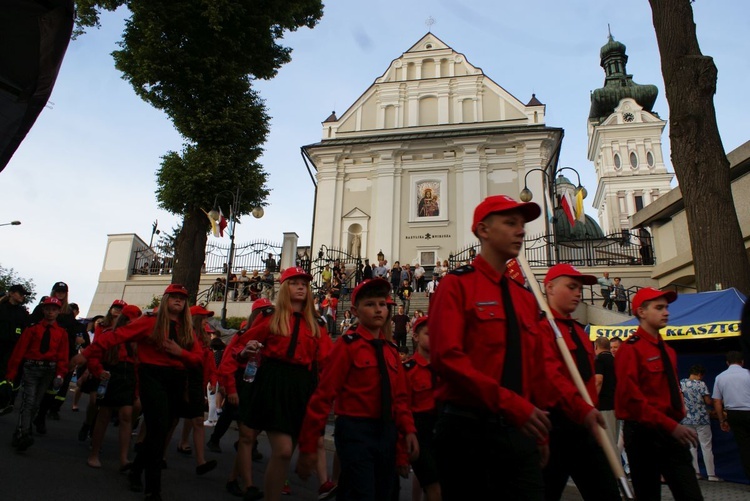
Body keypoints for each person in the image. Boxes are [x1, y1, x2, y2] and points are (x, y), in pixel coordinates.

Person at [429, 195, 602, 500]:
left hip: (519, 430)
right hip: (468, 430)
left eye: (522, 224)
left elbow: (539, 368)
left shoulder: (523, 297)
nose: (521, 231)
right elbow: (447, 359)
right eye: (510, 223)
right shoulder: (456, 285)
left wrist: (563, 418)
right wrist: (513, 405)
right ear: (483, 230)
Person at [70, 284, 204, 501]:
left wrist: (181, 353)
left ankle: (135, 471)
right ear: (166, 299)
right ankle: (153, 489)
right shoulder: (149, 323)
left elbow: (198, 359)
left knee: (159, 431)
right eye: (174, 297)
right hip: (152, 377)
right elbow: (115, 336)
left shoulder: (186, 329)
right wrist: (86, 354)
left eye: (182, 298)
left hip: (176, 380)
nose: (178, 300)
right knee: (158, 428)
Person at [296, 278, 419, 501]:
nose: (379, 309)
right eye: (370, 304)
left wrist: (407, 435)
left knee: (387, 493)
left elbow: (400, 399)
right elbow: (323, 397)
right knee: (361, 492)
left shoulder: (391, 351)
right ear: (355, 310)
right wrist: (308, 447)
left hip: (386, 433)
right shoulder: (346, 346)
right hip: (355, 431)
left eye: (382, 304)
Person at [230, 267, 332, 501]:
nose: (300, 287)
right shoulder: (271, 318)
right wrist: (246, 351)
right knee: (284, 451)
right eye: (294, 283)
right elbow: (239, 345)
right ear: (285, 288)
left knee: (284, 455)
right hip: (274, 383)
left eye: (304, 284)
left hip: (303, 386)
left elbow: (328, 360)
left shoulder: (317, 325)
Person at [615, 287, 703, 500]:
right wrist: (672, 425)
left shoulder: (668, 351)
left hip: (670, 431)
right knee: (648, 494)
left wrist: (675, 422)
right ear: (641, 312)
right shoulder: (631, 349)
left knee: (689, 492)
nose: (666, 312)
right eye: (659, 307)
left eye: (666, 307)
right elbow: (632, 399)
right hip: (644, 433)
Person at [541, 264, 620, 500]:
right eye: (572, 287)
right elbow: (550, 378)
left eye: (580, 288)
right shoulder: (541, 329)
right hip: (553, 428)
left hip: (585, 427)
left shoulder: (580, 332)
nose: (578, 293)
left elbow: (587, 380)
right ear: (550, 288)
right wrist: (583, 409)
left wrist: (591, 412)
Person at [6, 297, 69, 451]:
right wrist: (11, 373)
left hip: (48, 370)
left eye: (54, 309)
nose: (50, 312)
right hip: (32, 367)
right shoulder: (33, 329)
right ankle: (24, 433)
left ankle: (22, 429)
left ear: (59, 312)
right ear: (43, 310)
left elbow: (63, 355)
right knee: (28, 400)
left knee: (36, 402)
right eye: (47, 309)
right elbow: (19, 351)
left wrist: (60, 374)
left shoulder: (61, 333)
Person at [85, 304, 141, 470]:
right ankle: (94, 453)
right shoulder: (110, 335)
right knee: (104, 414)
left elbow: (139, 367)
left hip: (128, 377)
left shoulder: (137, 341)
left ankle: (123, 458)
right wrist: (98, 371)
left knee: (126, 416)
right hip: (111, 375)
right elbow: (94, 355)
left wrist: (137, 390)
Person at [403, 315, 441, 501]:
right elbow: (403, 406)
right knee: (434, 488)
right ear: (416, 337)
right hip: (420, 432)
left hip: (442, 430)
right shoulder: (409, 370)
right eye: (428, 333)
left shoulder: (444, 368)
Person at [712, 350, 750, 481]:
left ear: (727, 363)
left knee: (744, 447)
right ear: (742, 362)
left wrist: (722, 420)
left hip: (733, 414)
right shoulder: (748, 374)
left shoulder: (720, 377)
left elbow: (716, 401)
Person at [680, 364, 721, 481]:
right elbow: (707, 401)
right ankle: (711, 474)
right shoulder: (701, 384)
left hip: (687, 419)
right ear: (699, 375)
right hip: (702, 418)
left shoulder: (681, 383)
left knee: (691, 446)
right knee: (706, 446)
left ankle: (695, 473)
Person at [0, 284, 31, 414]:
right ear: (11, 293)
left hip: (13, 350)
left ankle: (5, 402)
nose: (22, 296)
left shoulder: (22, 313)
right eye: (20, 293)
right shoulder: (1, 308)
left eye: (24, 294)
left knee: (7, 377)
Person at [594, 336, 617, 450]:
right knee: (614, 442)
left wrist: (592, 401)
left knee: (608, 445)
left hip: (604, 406)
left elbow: (598, 380)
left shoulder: (599, 360)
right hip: (616, 406)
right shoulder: (615, 361)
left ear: (596, 346)